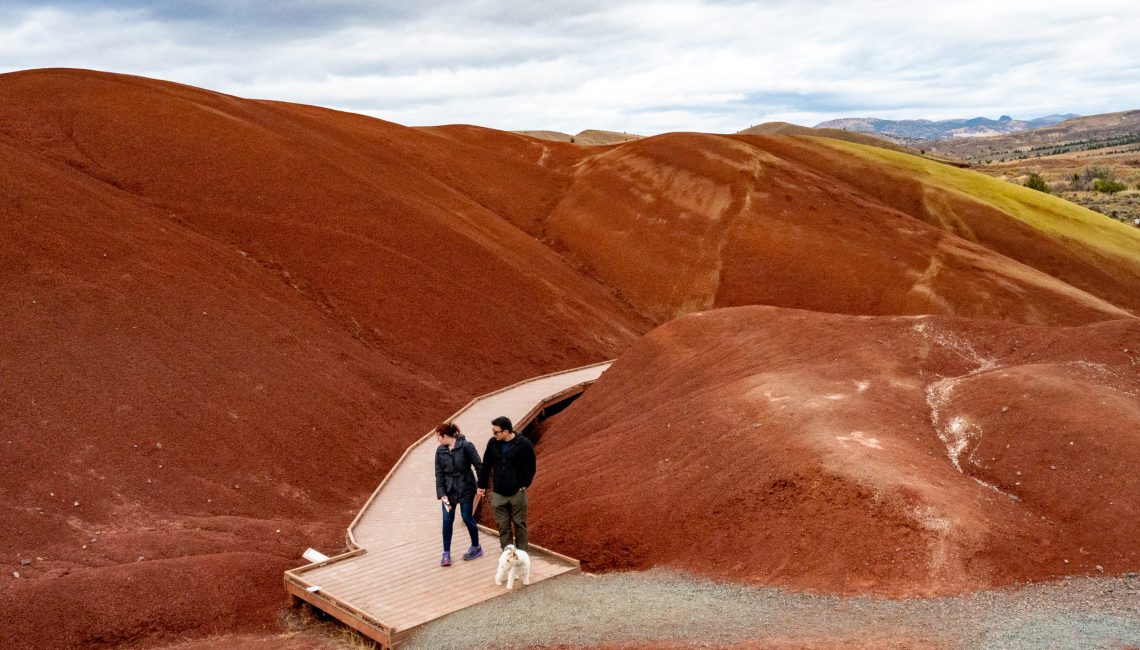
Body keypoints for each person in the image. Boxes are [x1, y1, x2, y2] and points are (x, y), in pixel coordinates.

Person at [476, 416, 536, 551]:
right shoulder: (492, 443)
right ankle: (507, 554)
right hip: (498, 493)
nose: (493, 434)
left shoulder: (523, 444)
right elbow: (486, 465)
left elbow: (531, 466)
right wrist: (481, 485)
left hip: (517, 493)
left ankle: (521, 555)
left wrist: (524, 485)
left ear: (506, 431)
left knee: (519, 524)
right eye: (493, 431)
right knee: (503, 526)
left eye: (496, 432)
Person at [434, 422, 483, 566]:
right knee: (447, 521)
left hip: (466, 487)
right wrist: (442, 493)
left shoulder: (466, 446)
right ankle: (446, 553)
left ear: (445, 436)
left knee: (467, 517)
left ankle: (476, 547)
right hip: (448, 492)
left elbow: (478, 466)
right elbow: (439, 474)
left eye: (438, 437)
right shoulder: (440, 451)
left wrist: (481, 485)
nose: (437, 440)